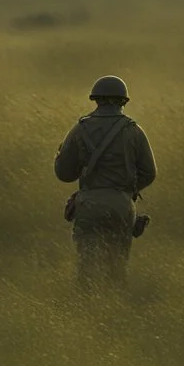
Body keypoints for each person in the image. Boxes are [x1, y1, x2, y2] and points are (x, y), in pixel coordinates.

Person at [54, 75, 157, 288]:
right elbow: (149, 172)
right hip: (122, 204)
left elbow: (64, 174)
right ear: (123, 101)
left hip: (89, 204)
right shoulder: (133, 130)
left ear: (96, 99)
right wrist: (129, 190)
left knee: (87, 268)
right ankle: (115, 310)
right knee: (117, 267)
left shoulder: (79, 129)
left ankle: (86, 311)